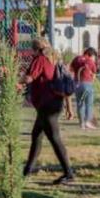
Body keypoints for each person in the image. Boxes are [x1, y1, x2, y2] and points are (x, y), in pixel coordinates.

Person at [23, 38, 75, 184]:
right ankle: (27, 170)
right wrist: (69, 108)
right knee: (36, 136)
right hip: (53, 104)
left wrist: (14, 82)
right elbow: (63, 84)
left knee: (55, 138)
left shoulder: (40, 59)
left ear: (35, 49)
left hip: (47, 106)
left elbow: (29, 78)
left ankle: (68, 173)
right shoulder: (55, 59)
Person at [70, 47, 98, 129]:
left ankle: (81, 123)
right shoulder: (90, 61)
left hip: (77, 85)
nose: (94, 59)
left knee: (80, 104)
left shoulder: (76, 59)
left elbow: (71, 69)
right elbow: (94, 74)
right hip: (87, 86)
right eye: (94, 57)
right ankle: (87, 122)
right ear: (91, 55)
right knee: (88, 104)